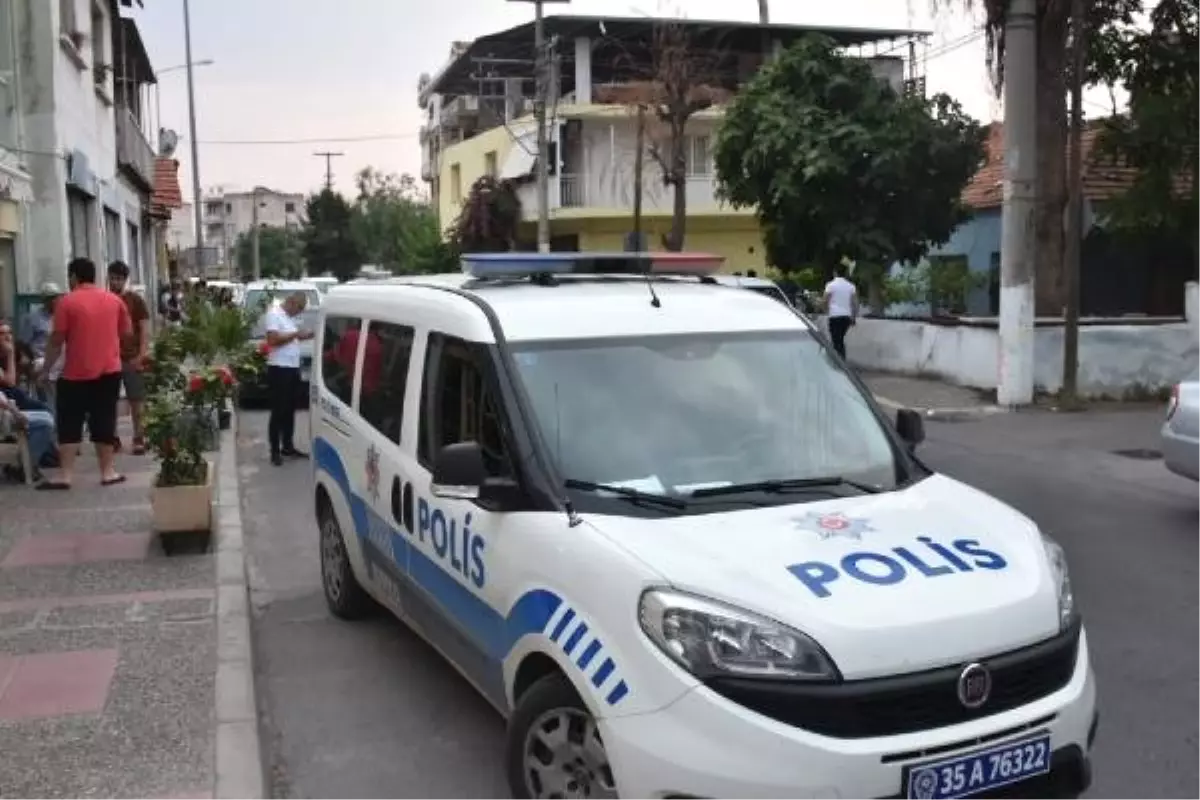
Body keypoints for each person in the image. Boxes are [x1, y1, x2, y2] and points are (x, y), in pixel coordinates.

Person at [37, 257, 132, 490]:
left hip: (75, 374)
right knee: (104, 419)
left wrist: (45, 370)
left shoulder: (66, 303)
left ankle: (66, 474)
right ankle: (108, 472)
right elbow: (126, 333)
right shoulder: (114, 301)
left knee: (69, 421)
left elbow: (56, 340)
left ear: (73, 277)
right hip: (109, 370)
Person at [264, 292, 313, 466]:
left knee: (290, 409)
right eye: (298, 308)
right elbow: (272, 340)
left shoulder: (289, 318)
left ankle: (288, 445)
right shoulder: (274, 314)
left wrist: (305, 335)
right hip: (279, 368)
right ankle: (275, 451)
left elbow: (291, 338)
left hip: (292, 368)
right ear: (291, 302)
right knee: (279, 410)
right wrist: (296, 335)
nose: (298, 313)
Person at [107, 261, 151, 454]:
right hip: (109, 358)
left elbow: (143, 330)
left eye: (119, 278)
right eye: (112, 278)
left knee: (136, 400)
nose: (115, 282)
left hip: (131, 357)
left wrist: (141, 355)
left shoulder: (135, 300)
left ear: (125, 280)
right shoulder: (104, 300)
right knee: (110, 400)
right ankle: (113, 437)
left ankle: (139, 437)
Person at [823, 264, 859, 360]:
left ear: (835, 273)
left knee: (836, 340)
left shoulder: (830, 285)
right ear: (845, 273)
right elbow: (855, 303)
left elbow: (825, 300)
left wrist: (825, 310)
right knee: (840, 339)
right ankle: (840, 360)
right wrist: (853, 317)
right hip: (846, 316)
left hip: (834, 316)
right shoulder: (851, 286)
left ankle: (840, 362)